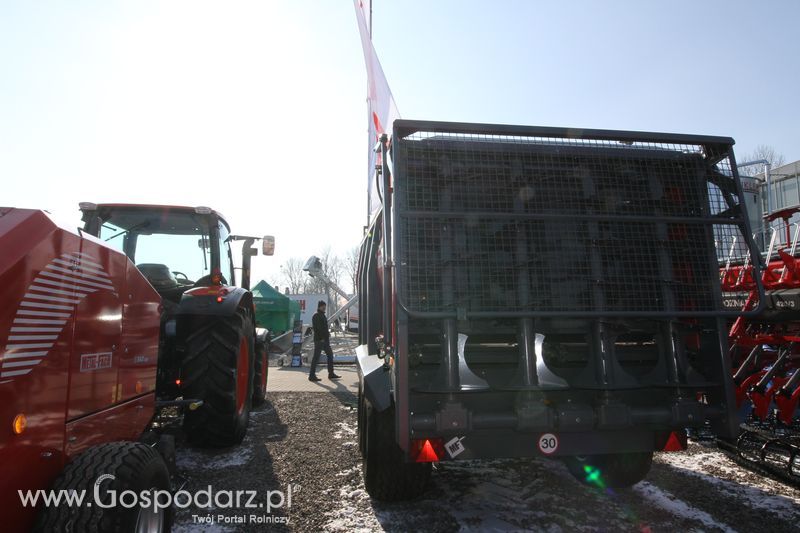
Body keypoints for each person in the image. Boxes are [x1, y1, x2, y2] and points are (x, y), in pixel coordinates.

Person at [309, 300, 340, 381]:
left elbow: (323, 327)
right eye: (323, 306)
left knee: (329, 355)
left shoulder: (321, 315)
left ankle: (331, 373)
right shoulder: (316, 315)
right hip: (320, 340)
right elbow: (318, 329)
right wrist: (322, 337)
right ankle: (312, 375)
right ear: (320, 306)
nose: (324, 307)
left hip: (324, 340)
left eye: (325, 306)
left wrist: (327, 334)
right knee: (316, 357)